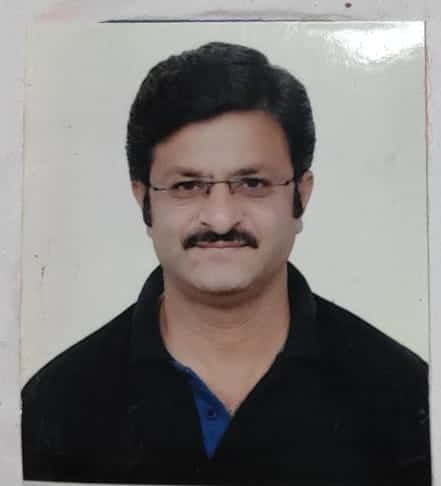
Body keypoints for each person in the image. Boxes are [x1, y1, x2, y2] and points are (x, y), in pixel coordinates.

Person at [21, 42, 431, 485]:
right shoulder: (56, 404)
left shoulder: (405, 396)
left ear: (301, 196)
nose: (220, 219)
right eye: (187, 186)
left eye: (252, 183)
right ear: (144, 201)